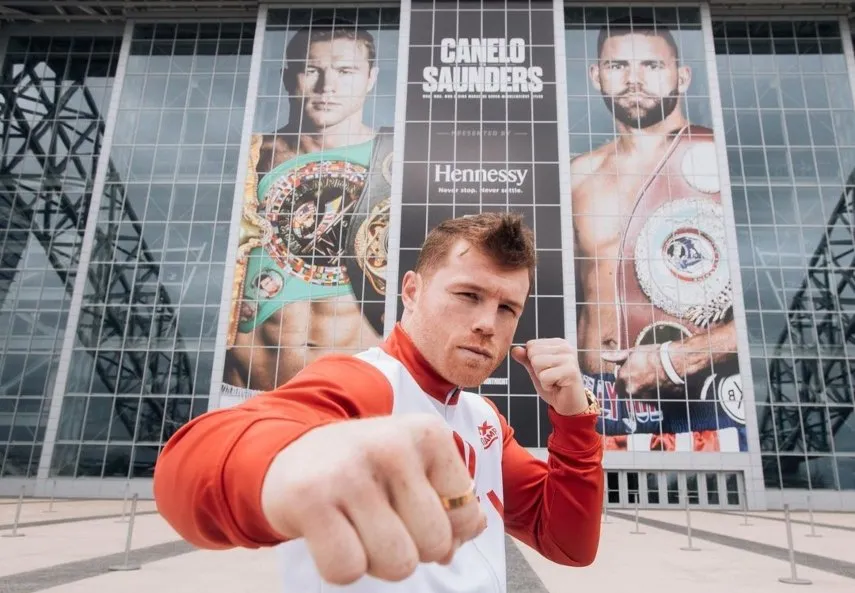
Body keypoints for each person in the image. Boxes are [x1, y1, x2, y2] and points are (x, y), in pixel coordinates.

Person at [154, 213, 604, 592]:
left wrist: (574, 419)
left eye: (508, 309)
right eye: (468, 295)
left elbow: (569, 544)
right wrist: (283, 468)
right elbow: (189, 465)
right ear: (411, 291)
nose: (488, 323)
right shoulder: (366, 380)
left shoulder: (482, 418)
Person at [570, 18, 746, 452]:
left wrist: (677, 358)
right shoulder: (577, 175)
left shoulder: (721, 159)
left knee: (714, 515)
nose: (634, 79)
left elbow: (764, 305)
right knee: (603, 521)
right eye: (617, 66)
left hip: (699, 400)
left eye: (651, 64)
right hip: (601, 402)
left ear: (681, 76)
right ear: (596, 76)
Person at [221, 19, 393, 401]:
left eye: (345, 71)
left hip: (353, 392)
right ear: (288, 76)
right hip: (251, 383)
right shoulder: (251, 157)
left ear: (370, 78)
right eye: (311, 69)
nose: (326, 86)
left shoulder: (396, 160)